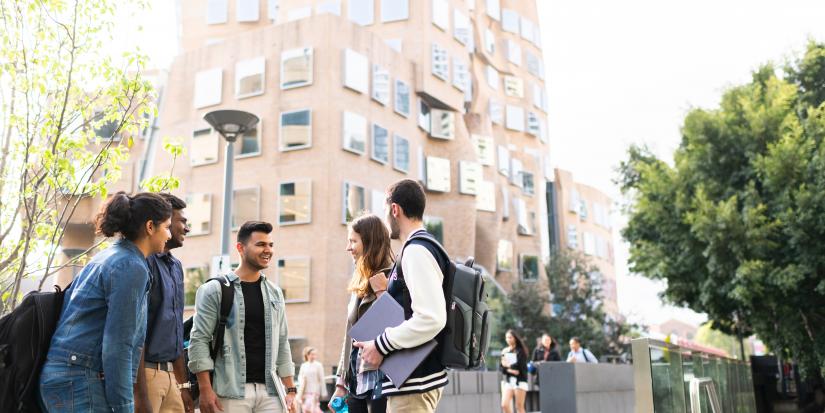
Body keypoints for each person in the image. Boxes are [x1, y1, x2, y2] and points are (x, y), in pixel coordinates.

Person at [39, 192, 173, 413]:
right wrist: (124, 407)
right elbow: (118, 344)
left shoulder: (108, 256)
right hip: (79, 378)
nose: (168, 235)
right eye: (167, 227)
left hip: (63, 373)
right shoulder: (131, 266)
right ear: (150, 227)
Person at [355, 179, 448, 413]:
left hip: (415, 383)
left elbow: (431, 318)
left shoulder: (417, 250)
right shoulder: (421, 247)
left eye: (386, 211)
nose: (386, 218)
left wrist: (380, 345)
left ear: (395, 209)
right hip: (412, 380)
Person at [188, 221, 297, 413]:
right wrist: (205, 389)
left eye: (270, 245)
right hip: (230, 391)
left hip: (271, 392)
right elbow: (199, 340)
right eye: (261, 244)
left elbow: (282, 342)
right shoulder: (214, 290)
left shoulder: (275, 293)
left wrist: (290, 389)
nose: (268, 250)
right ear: (240, 248)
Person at [134, 194, 193, 413]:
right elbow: (135, 332)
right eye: (182, 222)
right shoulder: (141, 262)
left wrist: (183, 385)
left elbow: (175, 328)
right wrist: (139, 392)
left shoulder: (176, 266)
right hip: (145, 375)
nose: (186, 228)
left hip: (171, 378)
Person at [333, 214, 393, 413]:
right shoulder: (360, 280)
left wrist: (382, 293)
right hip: (356, 384)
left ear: (370, 242)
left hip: (384, 382)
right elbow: (349, 335)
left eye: (353, 241)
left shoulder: (394, 277)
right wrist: (341, 384)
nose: (348, 248)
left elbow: (401, 324)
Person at [500, 330, 529, 413]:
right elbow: (501, 367)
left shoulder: (521, 351)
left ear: (515, 338)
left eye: (510, 337)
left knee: (519, 406)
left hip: (520, 381)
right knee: (504, 405)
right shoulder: (505, 351)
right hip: (509, 381)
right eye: (506, 338)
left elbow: (520, 366)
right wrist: (510, 370)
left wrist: (507, 366)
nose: (508, 339)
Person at [297, 347, 327, 413]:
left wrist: (323, 393)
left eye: (315, 354)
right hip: (305, 392)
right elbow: (299, 377)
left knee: (314, 410)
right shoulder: (303, 365)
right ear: (307, 355)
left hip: (314, 392)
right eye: (312, 354)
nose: (314, 356)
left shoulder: (318, 365)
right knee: (305, 409)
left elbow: (322, 379)